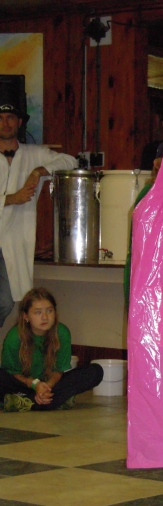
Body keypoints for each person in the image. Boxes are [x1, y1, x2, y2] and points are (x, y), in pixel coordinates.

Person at [0, 97, 77, 328]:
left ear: (19, 122)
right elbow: (14, 198)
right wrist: (11, 199)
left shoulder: (34, 154)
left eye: (10, 118)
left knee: (6, 301)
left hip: (12, 241)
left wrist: (39, 171)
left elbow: (70, 161)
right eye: (0, 119)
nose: (5, 123)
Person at [0, 288, 103, 412]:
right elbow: (12, 373)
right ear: (25, 316)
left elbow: (58, 371)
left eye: (49, 311)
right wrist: (35, 384)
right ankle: (55, 400)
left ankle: (26, 401)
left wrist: (47, 386)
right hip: (23, 384)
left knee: (95, 371)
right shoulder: (14, 337)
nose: (45, 317)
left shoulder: (62, 333)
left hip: (51, 384)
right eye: (38, 313)